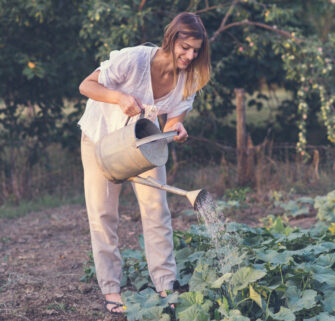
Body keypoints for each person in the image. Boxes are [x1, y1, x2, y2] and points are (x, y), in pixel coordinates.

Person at [78, 12, 210, 314]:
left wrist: (177, 127)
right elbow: (86, 85)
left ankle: (166, 283)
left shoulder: (189, 77)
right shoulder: (135, 60)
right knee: (102, 215)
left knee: (156, 210)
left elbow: (176, 115)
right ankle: (112, 290)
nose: (190, 56)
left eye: (196, 51)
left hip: (145, 141)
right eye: (185, 47)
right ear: (172, 39)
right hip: (102, 140)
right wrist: (117, 97)